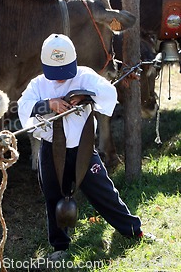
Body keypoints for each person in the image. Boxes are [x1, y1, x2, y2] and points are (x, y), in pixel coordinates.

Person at [18, 34, 149, 260]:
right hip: (51, 150)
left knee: (104, 192)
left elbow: (108, 93)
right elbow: (23, 108)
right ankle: (60, 247)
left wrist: (86, 96)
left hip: (83, 148)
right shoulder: (38, 84)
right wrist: (49, 104)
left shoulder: (85, 76)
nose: (60, 79)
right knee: (53, 197)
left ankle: (133, 231)